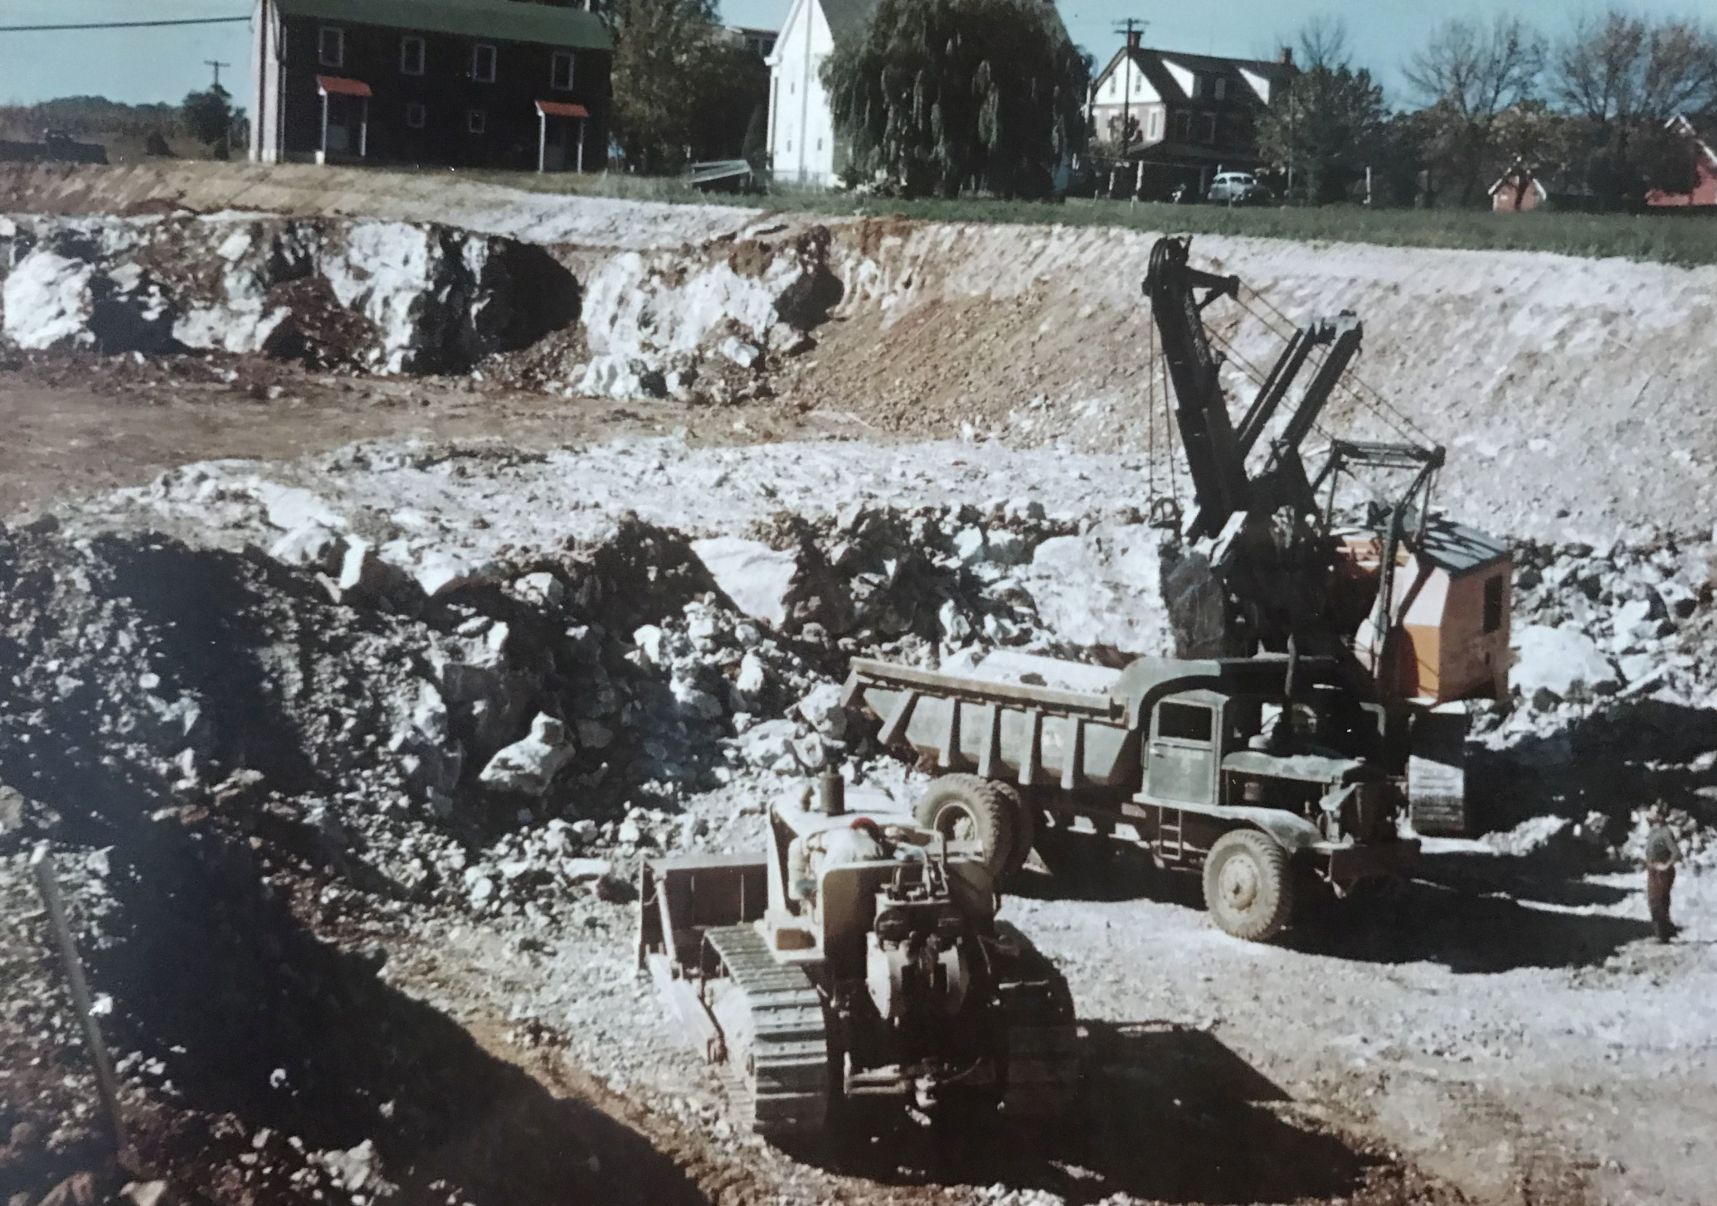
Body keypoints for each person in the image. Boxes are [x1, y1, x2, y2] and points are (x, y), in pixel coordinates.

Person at [1643, 811, 1682, 943]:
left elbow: (1676, 853)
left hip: (1662, 872)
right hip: (1652, 870)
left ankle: (1663, 935)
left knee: (1659, 902)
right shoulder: (1653, 832)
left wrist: (1666, 865)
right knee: (1653, 901)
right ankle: (1661, 932)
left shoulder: (1665, 832)